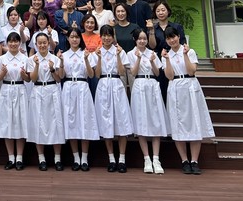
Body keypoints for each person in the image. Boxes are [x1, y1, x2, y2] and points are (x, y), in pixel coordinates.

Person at [161, 26, 214, 175]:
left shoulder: (190, 51)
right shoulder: (166, 55)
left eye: (173, 37)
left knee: (194, 121)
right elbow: (169, 76)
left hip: (190, 86)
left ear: (179, 36)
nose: (172, 40)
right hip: (175, 87)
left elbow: (191, 71)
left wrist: (184, 54)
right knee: (178, 123)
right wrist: (167, 59)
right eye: (168, 38)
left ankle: (194, 161)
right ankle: (184, 160)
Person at [90, 26, 133, 173]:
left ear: (113, 36)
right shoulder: (96, 52)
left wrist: (119, 55)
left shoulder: (119, 51)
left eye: (109, 35)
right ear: (101, 36)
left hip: (117, 84)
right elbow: (96, 74)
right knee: (106, 121)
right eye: (104, 35)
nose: (107, 38)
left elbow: (122, 72)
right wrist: (99, 58)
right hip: (103, 85)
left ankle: (122, 159)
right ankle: (111, 159)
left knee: (122, 120)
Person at [127, 28, 168, 175]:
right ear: (135, 40)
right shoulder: (130, 54)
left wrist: (152, 62)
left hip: (152, 86)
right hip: (139, 85)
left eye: (144, 38)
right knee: (141, 121)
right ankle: (146, 159)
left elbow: (157, 73)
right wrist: (138, 59)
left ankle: (156, 158)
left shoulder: (152, 53)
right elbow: (133, 73)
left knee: (156, 120)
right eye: (140, 39)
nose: (142, 41)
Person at [59, 28, 99, 171]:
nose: (74, 39)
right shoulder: (64, 55)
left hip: (83, 87)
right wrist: (61, 62)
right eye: (72, 37)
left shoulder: (86, 53)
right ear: (68, 39)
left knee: (84, 120)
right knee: (71, 121)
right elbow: (61, 76)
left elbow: (91, 74)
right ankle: (76, 157)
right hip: (69, 87)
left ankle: (85, 158)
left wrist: (87, 60)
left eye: (77, 37)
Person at [26, 32, 65, 171]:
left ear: (49, 43)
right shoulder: (31, 59)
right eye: (39, 43)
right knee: (39, 123)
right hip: (38, 90)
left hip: (52, 90)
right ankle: (41, 158)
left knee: (56, 123)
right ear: (36, 45)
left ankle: (57, 158)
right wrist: (36, 65)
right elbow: (32, 79)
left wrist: (52, 69)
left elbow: (59, 78)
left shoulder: (55, 59)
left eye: (44, 43)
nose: (42, 45)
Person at [0, 31, 30, 170]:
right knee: (7, 122)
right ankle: (10, 157)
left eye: (16, 41)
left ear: (20, 43)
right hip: (7, 90)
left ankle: (19, 157)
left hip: (20, 89)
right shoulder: (2, 59)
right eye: (11, 41)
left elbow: (29, 79)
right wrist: (3, 73)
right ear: (7, 43)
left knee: (20, 122)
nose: (13, 44)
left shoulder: (25, 58)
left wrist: (23, 75)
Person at [153, 1, 186, 101]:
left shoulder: (176, 27)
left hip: (175, 60)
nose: (161, 13)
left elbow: (183, 43)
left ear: (168, 11)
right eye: (158, 11)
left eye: (163, 10)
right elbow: (152, 46)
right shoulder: (153, 29)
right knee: (162, 89)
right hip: (160, 60)